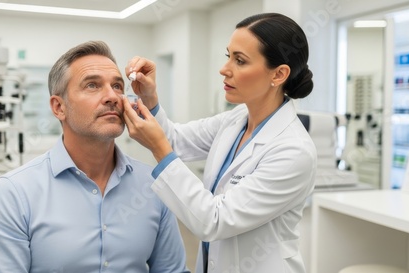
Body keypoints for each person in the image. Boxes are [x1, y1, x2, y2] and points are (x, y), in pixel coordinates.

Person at [121, 13, 317, 273]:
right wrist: (150, 99)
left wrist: (159, 149)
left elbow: (214, 221)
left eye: (240, 61)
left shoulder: (293, 151)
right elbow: (176, 140)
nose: (224, 70)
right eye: (229, 56)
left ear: (279, 74)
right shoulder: (235, 120)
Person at [0, 40, 190, 273]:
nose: (112, 97)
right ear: (59, 107)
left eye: (118, 86)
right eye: (92, 85)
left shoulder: (153, 186)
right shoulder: (14, 194)